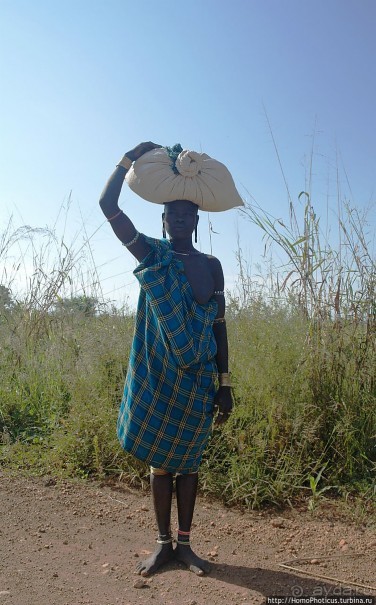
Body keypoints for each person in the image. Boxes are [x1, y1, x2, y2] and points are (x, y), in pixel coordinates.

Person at [99, 141, 233, 577]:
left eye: (187, 214)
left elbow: (218, 326)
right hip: (160, 380)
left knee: (189, 465)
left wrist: (225, 384)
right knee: (162, 465)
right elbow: (107, 204)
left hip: (197, 381)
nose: (179, 219)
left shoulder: (211, 266)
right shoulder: (152, 254)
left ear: (197, 221)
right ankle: (162, 546)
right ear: (163, 220)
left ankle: (187, 547)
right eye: (172, 214)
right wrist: (129, 156)